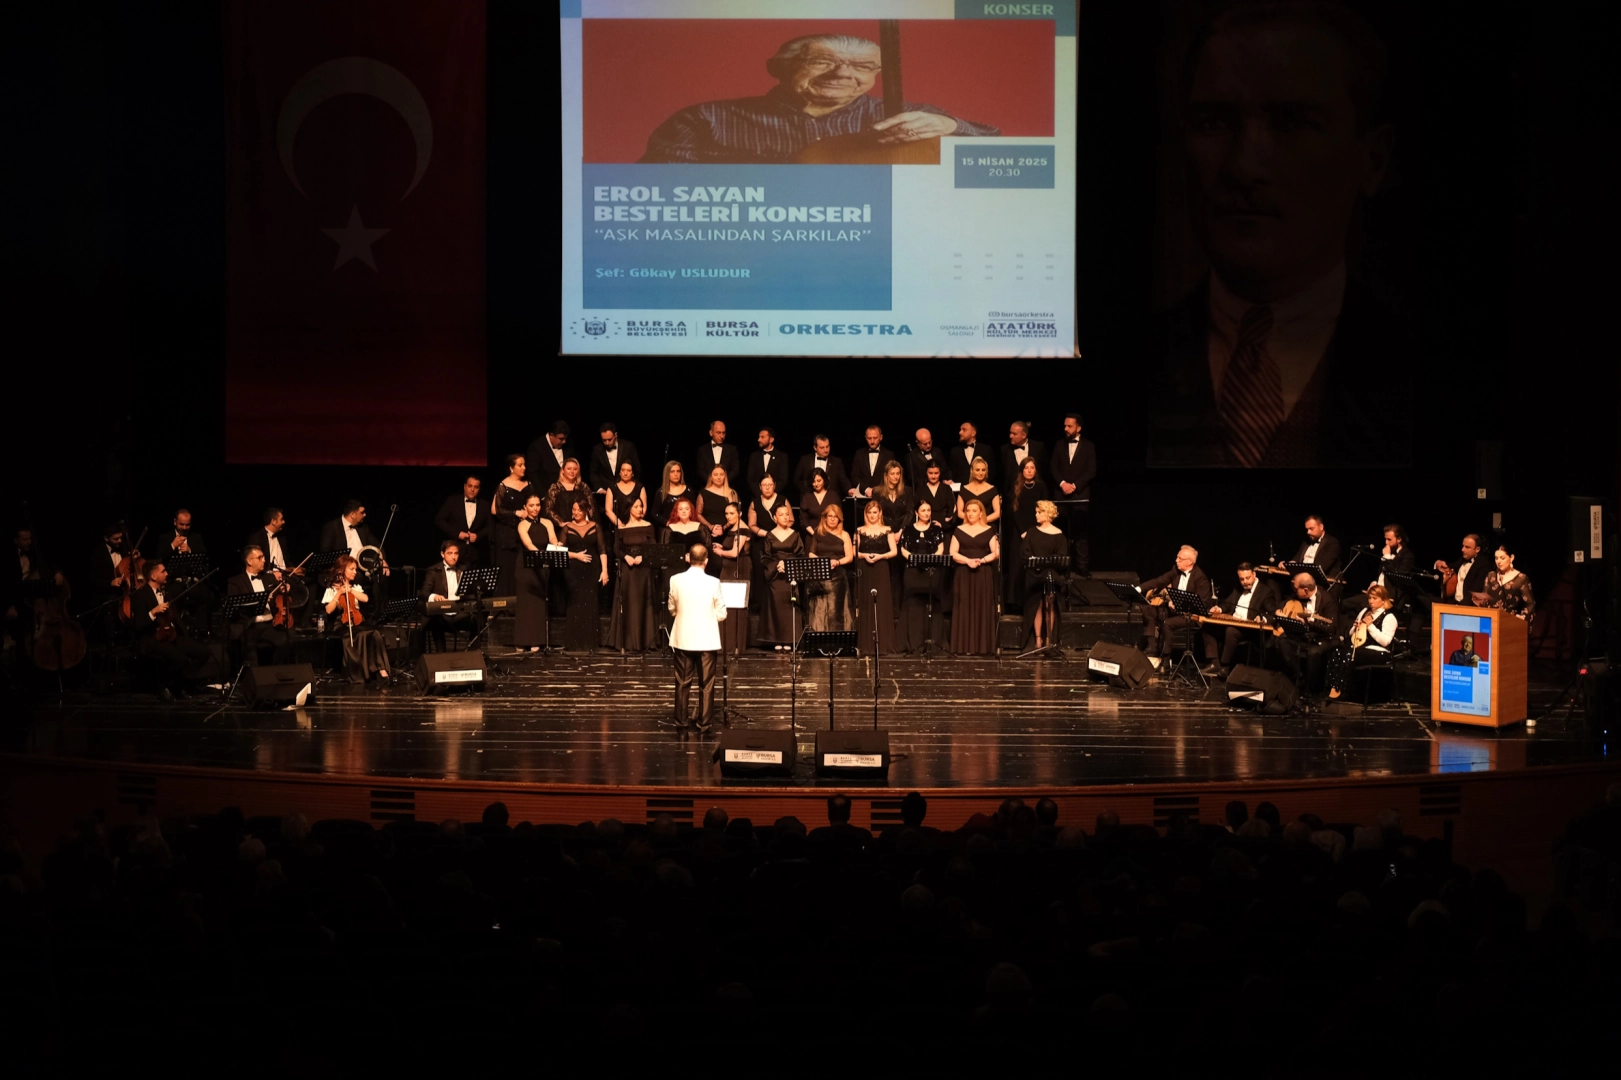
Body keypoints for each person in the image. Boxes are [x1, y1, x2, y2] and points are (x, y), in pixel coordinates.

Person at [1147, 1, 1408, 468]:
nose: (1243, 166)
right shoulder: (1129, 360)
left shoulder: (1427, 371)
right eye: (1214, 123)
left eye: (1293, 123)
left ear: (1373, 160)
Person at [638, 33, 1000, 164]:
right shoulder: (705, 119)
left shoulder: (909, 114)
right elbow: (661, 190)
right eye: (822, 62)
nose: (842, 74)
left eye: (862, 66)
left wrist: (950, 125)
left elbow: (994, 149)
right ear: (778, 68)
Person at [130, 556, 219, 699]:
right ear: (153, 576)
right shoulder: (140, 595)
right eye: (163, 571)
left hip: (170, 636)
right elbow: (138, 624)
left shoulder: (167, 592)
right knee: (180, 659)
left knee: (203, 652)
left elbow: (176, 617)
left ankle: (181, 682)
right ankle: (165, 685)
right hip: (152, 638)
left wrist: (186, 637)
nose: (167, 574)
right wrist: (153, 612)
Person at [667, 543, 727, 733]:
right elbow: (722, 614)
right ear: (706, 561)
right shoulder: (713, 582)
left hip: (683, 637)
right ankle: (704, 723)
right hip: (706, 639)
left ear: (688, 558)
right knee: (707, 683)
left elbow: (672, 608)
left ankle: (681, 721)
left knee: (682, 682)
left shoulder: (675, 579)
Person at [1138, 545, 1214, 664]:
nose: (1176, 560)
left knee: (1167, 623)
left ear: (1189, 562)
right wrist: (1139, 588)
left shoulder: (1201, 578)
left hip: (1192, 615)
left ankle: (1165, 660)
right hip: (1175, 610)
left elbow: (1203, 604)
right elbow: (1159, 581)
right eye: (1177, 557)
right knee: (1148, 610)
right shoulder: (1176, 571)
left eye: (1180, 558)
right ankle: (1152, 648)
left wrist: (1180, 604)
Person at [322, 554, 390, 684]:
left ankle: (382, 670)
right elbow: (328, 610)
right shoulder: (332, 589)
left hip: (357, 621)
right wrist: (339, 593)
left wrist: (350, 590)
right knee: (361, 635)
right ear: (342, 570)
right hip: (341, 624)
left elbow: (365, 598)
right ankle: (362, 672)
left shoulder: (356, 587)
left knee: (375, 633)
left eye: (356, 569)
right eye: (352, 569)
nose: (355, 572)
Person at [1200, 562, 1277, 677]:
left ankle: (1225, 666)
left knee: (1231, 631)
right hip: (1233, 622)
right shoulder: (1238, 588)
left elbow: (1273, 614)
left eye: (1247, 578)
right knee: (1207, 626)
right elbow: (1228, 604)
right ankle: (1214, 663)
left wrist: (1263, 619)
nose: (1245, 582)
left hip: (1249, 630)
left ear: (1254, 574)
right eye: (1242, 579)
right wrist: (1219, 609)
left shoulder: (1265, 591)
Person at [1326, 584, 1398, 700]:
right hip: (1360, 647)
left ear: (1383, 600)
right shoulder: (1365, 611)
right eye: (1369, 598)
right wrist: (1355, 627)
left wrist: (1370, 626)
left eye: (1375, 598)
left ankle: (1343, 689)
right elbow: (1352, 635)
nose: (1371, 601)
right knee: (1337, 650)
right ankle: (1332, 687)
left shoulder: (1389, 617)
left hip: (1378, 651)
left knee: (1350, 652)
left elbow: (1386, 641)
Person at [225, 545, 291, 666]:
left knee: (285, 641)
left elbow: (279, 595)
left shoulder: (269, 578)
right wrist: (259, 602)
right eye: (260, 558)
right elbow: (235, 609)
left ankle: (273, 672)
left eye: (264, 557)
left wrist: (284, 589)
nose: (264, 560)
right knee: (250, 650)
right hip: (249, 626)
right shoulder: (235, 582)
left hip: (269, 624)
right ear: (249, 561)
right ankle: (254, 676)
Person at [1276, 571, 1340, 693]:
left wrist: (1309, 622)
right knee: (1282, 640)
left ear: (1305, 590)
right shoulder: (1299, 596)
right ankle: (1298, 678)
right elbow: (1285, 603)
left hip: (1323, 638)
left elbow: (1331, 628)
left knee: (1313, 652)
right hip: (1304, 635)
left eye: (1296, 589)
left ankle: (1310, 691)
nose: (1294, 591)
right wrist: (1279, 611)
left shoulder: (1328, 599)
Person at [950, 498, 999, 655]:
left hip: (983, 573)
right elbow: (953, 552)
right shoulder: (959, 530)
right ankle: (963, 646)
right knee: (964, 606)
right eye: (968, 511)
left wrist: (981, 561)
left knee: (981, 607)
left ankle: (982, 647)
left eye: (974, 511)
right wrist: (968, 561)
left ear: (980, 513)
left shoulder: (989, 530)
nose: (970, 513)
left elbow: (995, 553)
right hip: (963, 573)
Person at [1049, 412, 1096, 574]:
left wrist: (1075, 486)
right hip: (1061, 496)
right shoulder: (1059, 445)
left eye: (1069, 426)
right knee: (1060, 532)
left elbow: (1091, 471)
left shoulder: (1089, 446)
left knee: (1080, 533)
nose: (1066, 428)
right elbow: (1053, 467)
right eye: (1065, 426)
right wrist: (1063, 484)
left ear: (1078, 428)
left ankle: (1082, 567)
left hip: (1080, 495)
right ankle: (1061, 565)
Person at [609, 496, 657, 652]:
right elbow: (616, 549)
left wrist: (644, 556)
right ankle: (627, 641)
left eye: (641, 506)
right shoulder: (622, 528)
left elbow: (653, 546)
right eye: (636, 506)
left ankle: (644, 641)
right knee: (628, 601)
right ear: (629, 508)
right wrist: (626, 557)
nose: (639, 509)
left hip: (643, 569)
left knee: (642, 602)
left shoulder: (648, 526)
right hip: (628, 568)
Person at [898, 501, 947, 653]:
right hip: (913, 570)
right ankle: (914, 642)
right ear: (917, 513)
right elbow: (903, 549)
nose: (926, 513)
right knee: (913, 603)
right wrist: (915, 559)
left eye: (928, 510)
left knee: (931, 602)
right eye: (923, 510)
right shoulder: (908, 529)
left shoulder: (936, 529)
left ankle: (933, 642)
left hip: (931, 570)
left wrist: (929, 560)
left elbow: (940, 548)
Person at [421, 539, 486, 653]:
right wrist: (434, 596)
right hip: (442, 615)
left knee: (477, 618)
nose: (453, 557)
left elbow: (471, 591)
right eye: (450, 553)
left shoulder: (464, 569)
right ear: (442, 554)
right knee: (435, 621)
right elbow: (424, 592)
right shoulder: (434, 571)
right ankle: (441, 655)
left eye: (456, 553)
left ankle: (473, 653)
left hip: (459, 613)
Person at [1021, 500, 1069, 652]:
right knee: (1037, 605)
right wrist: (1035, 562)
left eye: (1039, 512)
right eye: (1036, 512)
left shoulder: (1059, 535)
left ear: (1047, 514)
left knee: (1050, 604)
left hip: (1051, 573)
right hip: (1034, 574)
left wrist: (1046, 563)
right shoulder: (1031, 532)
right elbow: (1025, 553)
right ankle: (1038, 639)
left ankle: (1049, 639)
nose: (1036, 515)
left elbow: (1061, 557)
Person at [561, 498, 608, 651]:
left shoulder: (595, 526)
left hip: (591, 569)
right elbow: (560, 552)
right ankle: (574, 643)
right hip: (573, 570)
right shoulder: (567, 528)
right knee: (575, 603)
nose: (576, 512)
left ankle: (590, 643)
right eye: (573, 509)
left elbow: (602, 550)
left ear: (586, 510)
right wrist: (576, 556)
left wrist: (605, 571)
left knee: (590, 603)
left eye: (579, 510)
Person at [513, 494, 557, 653]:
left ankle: (536, 641)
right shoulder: (522, 524)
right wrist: (541, 555)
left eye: (537, 505)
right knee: (525, 603)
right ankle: (521, 641)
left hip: (542, 565)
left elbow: (552, 538)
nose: (535, 508)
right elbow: (528, 544)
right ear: (525, 507)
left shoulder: (547, 522)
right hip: (526, 566)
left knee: (538, 603)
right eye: (531, 505)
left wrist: (556, 544)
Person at [852, 500, 897, 655]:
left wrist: (880, 556)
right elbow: (854, 552)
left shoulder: (887, 530)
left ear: (880, 513)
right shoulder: (859, 531)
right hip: (864, 568)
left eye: (875, 512)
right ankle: (865, 645)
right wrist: (864, 555)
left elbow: (894, 551)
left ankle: (883, 644)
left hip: (881, 568)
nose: (872, 515)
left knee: (882, 602)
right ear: (866, 514)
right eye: (869, 512)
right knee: (865, 603)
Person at [759, 503, 805, 651]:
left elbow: (800, 555)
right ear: (775, 517)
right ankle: (777, 639)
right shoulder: (769, 535)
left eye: (787, 514)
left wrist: (787, 565)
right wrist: (777, 565)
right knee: (776, 606)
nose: (785, 517)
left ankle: (790, 639)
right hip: (775, 575)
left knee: (789, 605)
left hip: (790, 575)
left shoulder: (795, 535)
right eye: (781, 514)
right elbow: (764, 556)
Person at [1004, 456, 1048, 607]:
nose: (1029, 471)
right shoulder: (1016, 486)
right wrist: (1023, 531)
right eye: (1026, 468)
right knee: (1017, 563)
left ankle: (1033, 599)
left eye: (1032, 468)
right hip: (1019, 531)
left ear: (1036, 470)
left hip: (1037, 529)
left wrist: (1037, 529)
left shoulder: (1041, 486)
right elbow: (1014, 511)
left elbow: (1044, 508)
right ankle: (1015, 602)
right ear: (1022, 471)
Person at [488, 456, 534, 598]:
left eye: (524, 464)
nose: (524, 468)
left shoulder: (528, 484)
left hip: (525, 529)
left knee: (523, 567)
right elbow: (495, 510)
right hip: (507, 532)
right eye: (520, 465)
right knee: (508, 567)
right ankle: (506, 603)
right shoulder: (504, 485)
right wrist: (515, 513)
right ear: (511, 468)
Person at [710, 502, 750, 657]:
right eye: (726, 513)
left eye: (732, 513)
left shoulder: (742, 529)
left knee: (735, 606)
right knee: (725, 605)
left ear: (740, 514)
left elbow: (735, 553)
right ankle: (726, 643)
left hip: (738, 569)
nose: (728, 516)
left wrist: (720, 553)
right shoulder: (732, 529)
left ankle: (734, 646)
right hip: (728, 569)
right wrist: (722, 548)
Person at [806, 504, 853, 631]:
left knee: (834, 610)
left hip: (837, 577)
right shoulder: (818, 533)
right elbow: (811, 553)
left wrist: (836, 562)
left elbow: (849, 557)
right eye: (830, 516)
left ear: (839, 519)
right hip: (820, 575)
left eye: (835, 517)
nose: (832, 519)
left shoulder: (844, 535)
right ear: (825, 518)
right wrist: (823, 562)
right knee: (819, 609)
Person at [316, 500, 389, 575]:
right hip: (345, 569)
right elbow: (325, 552)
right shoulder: (331, 527)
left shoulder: (363, 528)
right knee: (358, 576)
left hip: (365, 566)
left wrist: (382, 560)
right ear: (352, 515)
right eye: (362, 512)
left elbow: (377, 545)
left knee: (384, 574)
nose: (365, 515)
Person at [434, 475, 491, 569]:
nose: (472, 489)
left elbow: (490, 527)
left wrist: (478, 536)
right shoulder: (452, 501)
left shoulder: (484, 505)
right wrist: (457, 534)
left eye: (476, 487)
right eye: (470, 486)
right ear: (465, 486)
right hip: (454, 550)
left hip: (475, 553)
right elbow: (439, 520)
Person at [1477, 543, 1534, 625]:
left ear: (1511, 558)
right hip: (1489, 620)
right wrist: (1479, 600)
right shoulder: (1491, 575)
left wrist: (1523, 616)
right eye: (1496, 558)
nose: (1498, 562)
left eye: (1502, 558)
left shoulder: (1521, 578)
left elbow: (1530, 604)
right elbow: (1484, 598)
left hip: (1509, 621)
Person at [1281, 514, 1343, 580]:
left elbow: (1322, 567)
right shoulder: (1306, 542)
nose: (1308, 532)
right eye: (1307, 529)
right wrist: (1288, 565)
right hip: (1301, 578)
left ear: (1321, 527)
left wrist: (1298, 568)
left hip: (1321, 581)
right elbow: (1296, 559)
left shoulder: (1332, 543)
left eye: (1311, 529)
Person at [587, 421, 641, 495]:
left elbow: (636, 469)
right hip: (605, 492)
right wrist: (599, 489)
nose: (607, 443)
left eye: (609, 439)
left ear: (615, 435)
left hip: (626, 492)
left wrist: (632, 487)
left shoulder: (628, 447)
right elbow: (593, 472)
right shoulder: (597, 450)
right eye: (604, 440)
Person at [794, 434, 850, 503]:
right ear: (815, 447)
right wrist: (808, 489)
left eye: (827, 446)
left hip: (830, 500)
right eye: (822, 447)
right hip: (810, 499)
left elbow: (843, 479)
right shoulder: (805, 460)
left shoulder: (836, 462)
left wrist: (849, 489)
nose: (826, 450)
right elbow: (797, 480)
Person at [849, 425, 898, 501]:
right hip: (863, 499)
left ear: (881, 437)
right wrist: (866, 489)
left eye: (875, 438)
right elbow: (854, 476)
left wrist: (877, 491)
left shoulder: (889, 455)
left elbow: (891, 477)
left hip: (883, 498)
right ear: (865, 438)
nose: (872, 441)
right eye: (869, 438)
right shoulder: (859, 454)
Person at [997, 420, 1046, 492]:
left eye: (1014, 434)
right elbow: (1002, 474)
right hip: (1011, 493)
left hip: (1034, 491)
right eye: (1010, 433)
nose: (1010, 436)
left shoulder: (1038, 447)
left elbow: (1044, 470)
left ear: (1024, 435)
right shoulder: (1005, 449)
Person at [693, 420, 740, 491]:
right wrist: (712, 482)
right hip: (707, 489)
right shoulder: (702, 450)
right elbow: (700, 470)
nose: (722, 436)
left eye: (723, 433)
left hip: (727, 489)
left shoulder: (732, 450)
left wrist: (723, 481)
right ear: (711, 433)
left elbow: (735, 470)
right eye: (718, 433)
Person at [524, 420, 569, 493]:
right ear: (551, 435)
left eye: (565, 438)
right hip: (546, 493)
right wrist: (543, 495)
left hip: (567, 492)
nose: (564, 442)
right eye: (561, 439)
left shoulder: (569, 445)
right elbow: (533, 474)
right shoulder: (536, 447)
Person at [956, 456, 1001, 528]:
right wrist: (972, 520)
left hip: (986, 525)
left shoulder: (992, 489)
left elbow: (998, 512)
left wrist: (983, 520)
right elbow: (959, 512)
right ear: (972, 471)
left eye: (983, 470)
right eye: (977, 470)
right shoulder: (964, 489)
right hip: (968, 526)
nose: (980, 473)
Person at [546, 458, 591, 529]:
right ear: (563, 470)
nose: (572, 471)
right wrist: (560, 523)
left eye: (575, 469)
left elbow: (590, 507)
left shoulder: (583, 487)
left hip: (582, 527)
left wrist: (586, 523)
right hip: (562, 528)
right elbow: (548, 509)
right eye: (569, 469)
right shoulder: (555, 488)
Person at [696, 465, 738, 541]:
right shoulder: (703, 493)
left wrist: (723, 528)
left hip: (727, 533)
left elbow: (736, 514)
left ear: (725, 477)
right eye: (715, 475)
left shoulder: (731, 493)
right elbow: (698, 514)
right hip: (706, 533)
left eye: (721, 474)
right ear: (711, 477)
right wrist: (711, 527)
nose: (719, 477)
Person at [605, 460, 649, 530]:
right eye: (623, 470)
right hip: (618, 527)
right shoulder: (612, 488)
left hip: (636, 526)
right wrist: (619, 524)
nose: (625, 473)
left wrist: (633, 523)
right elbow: (608, 510)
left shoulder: (639, 488)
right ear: (620, 472)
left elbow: (644, 508)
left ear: (633, 473)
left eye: (628, 471)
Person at [745, 427, 789, 496]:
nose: (759, 440)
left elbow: (783, 480)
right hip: (757, 497)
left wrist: (771, 494)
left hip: (775, 497)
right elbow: (750, 479)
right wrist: (760, 494)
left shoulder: (782, 456)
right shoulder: (754, 456)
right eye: (759, 437)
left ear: (771, 440)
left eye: (762, 437)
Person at [916, 462, 957, 531]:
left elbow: (952, 509)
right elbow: (917, 510)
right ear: (926, 473)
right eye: (930, 473)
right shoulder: (921, 490)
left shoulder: (946, 489)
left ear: (940, 473)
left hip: (945, 528)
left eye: (936, 473)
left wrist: (942, 524)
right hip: (925, 527)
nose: (933, 476)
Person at [799, 469, 836, 534]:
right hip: (811, 533)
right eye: (813, 482)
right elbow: (804, 520)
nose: (816, 484)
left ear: (824, 480)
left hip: (831, 533)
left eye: (819, 481)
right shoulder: (807, 497)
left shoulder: (833, 496)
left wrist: (829, 534)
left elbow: (838, 516)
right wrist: (814, 534)